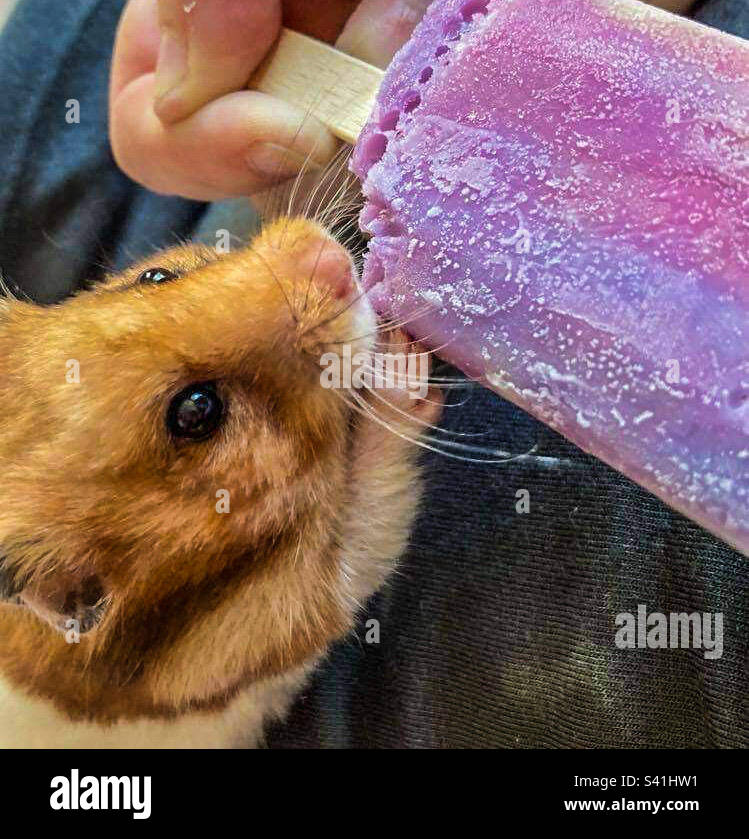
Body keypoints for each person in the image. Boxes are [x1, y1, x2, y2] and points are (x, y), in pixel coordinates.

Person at [0, 0, 745, 747]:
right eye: (198, 411)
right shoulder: (129, 624)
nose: (316, 261)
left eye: (157, 284)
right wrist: (378, 458)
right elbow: (300, 607)